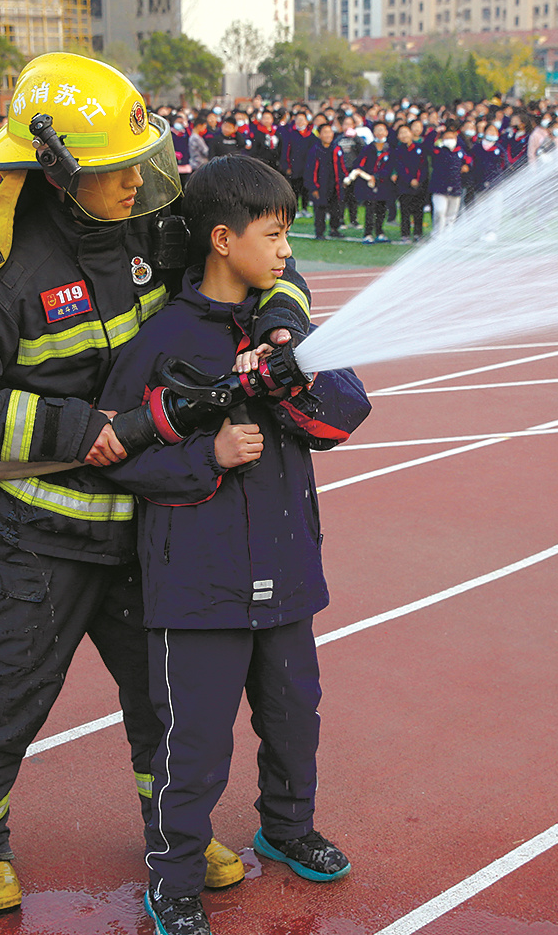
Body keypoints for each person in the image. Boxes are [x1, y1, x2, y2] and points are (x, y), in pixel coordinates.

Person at [0, 52, 243, 917]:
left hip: (145, 532)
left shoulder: (154, 230)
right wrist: (74, 432)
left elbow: (238, 263)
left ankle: (174, 827)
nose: (135, 181)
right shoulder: (4, 274)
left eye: (137, 162)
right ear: (58, 175)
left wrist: (280, 306)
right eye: (111, 171)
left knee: (165, 702)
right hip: (39, 542)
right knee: (6, 695)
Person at [96, 155, 370, 935]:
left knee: (293, 718)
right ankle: (175, 877)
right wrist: (205, 456)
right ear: (221, 239)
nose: (287, 250)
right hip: (195, 585)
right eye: (274, 234)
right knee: (195, 745)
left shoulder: (282, 319)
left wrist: (286, 370)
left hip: (284, 571)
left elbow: (345, 415)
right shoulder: (160, 341)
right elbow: (119, 454)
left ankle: (284, 829)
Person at [304, 120, 344, 239]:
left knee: (336, 209)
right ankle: (320, 232)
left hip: (334, 184)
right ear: (320, 134)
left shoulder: (336, 148)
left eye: (330, 132)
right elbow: (310, 170)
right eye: (325, 132)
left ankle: (334, 229)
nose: (328, 135)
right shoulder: (315, 150)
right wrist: (313, 187)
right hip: (320, 185)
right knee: (320, 210)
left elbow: (341, 167)